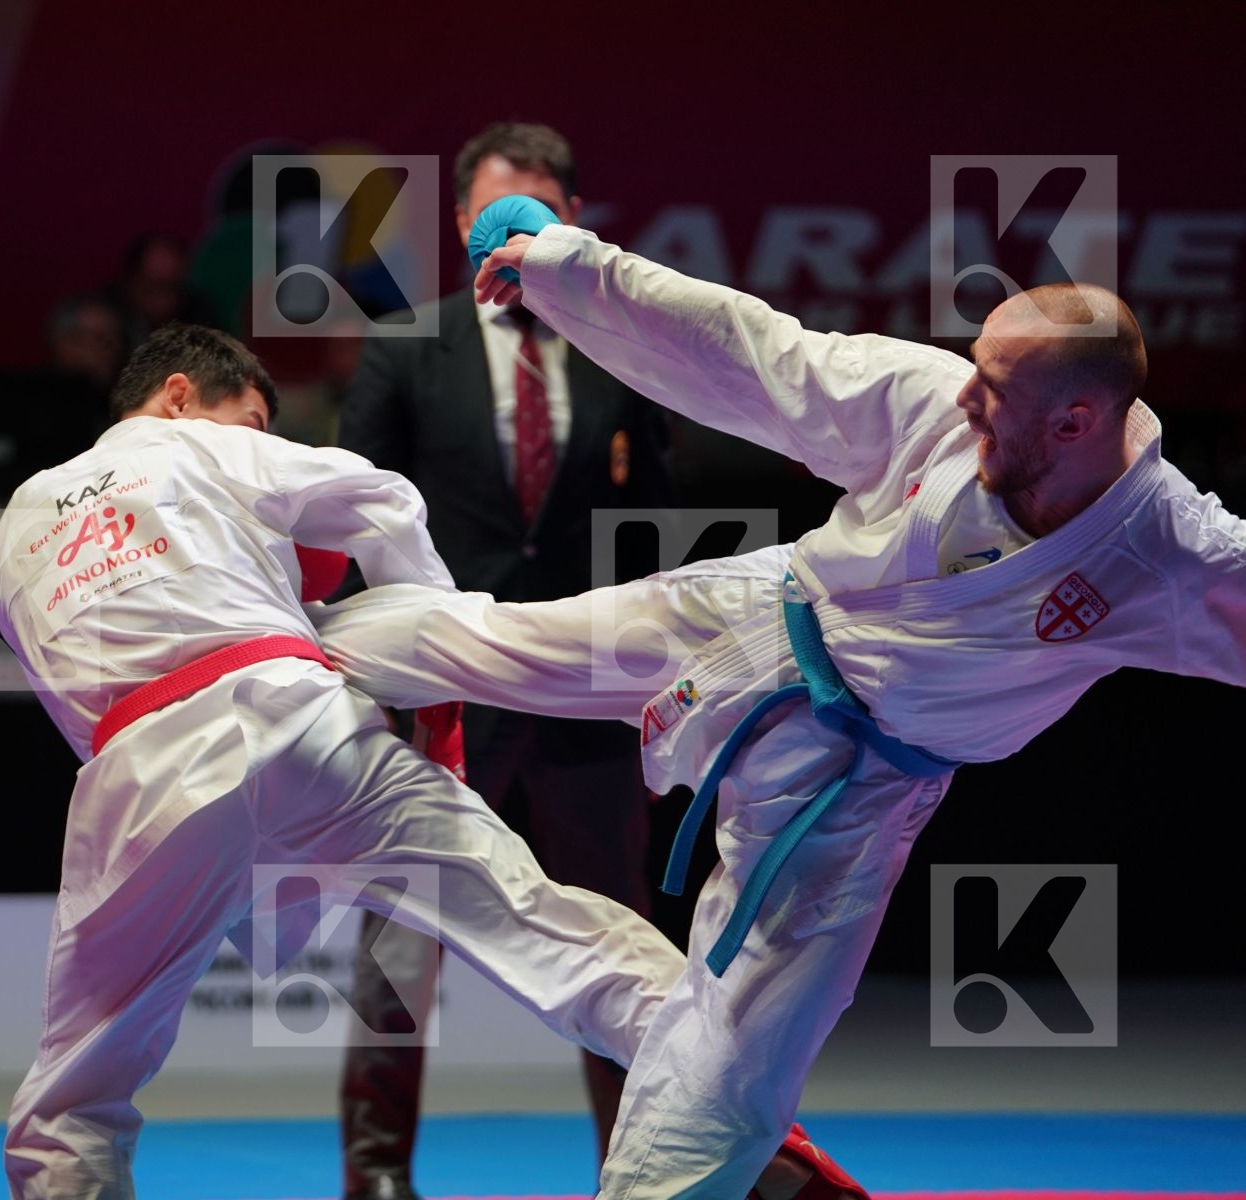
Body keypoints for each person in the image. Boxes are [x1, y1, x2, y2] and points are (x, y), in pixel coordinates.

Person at [309, 220, 1246, 1196]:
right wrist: (567, 265)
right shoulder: (932, 399)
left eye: (996, 390)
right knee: (504, 641)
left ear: (1077, 422)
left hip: (858, 792)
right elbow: (752, 349)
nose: (965, 393)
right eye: (975, 368)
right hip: (763, 622)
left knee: (734, 1054)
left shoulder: (1171, 553)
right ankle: (271, 645)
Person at [0, 323, 851, 1200]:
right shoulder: (200, 446)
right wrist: (439, 666)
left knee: (75, 1092)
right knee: (546, 931)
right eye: (251, 420)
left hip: (138, 768)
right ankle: (757, 1130)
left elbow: (78, 690)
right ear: (178, 396)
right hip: (304, 725)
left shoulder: (13, 528)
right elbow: (382, 496)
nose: (256, 439)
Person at [334, 121, 676, 1200]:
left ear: (571, 224)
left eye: (535, 213)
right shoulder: (402, 351)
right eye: (492, 215)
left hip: (587, 696)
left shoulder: (632, 354)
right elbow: (350, 523)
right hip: (445, 699)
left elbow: (656, 523)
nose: (513, 232)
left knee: (619, 943)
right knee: (399, 942)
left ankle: (646, 1168)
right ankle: (377, 1177)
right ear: (461, 227)